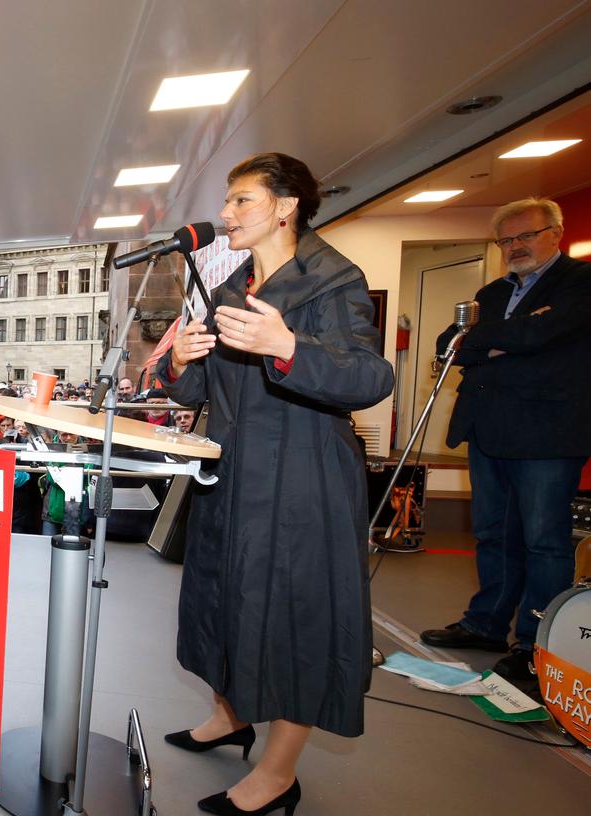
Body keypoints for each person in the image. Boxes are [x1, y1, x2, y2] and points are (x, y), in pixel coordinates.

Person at [158, 152, 393, 815]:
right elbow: (200, 386)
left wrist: (287, 345)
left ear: (285, 207)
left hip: (301, 483)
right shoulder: (233, 284)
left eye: (241, 201)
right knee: (226, 602)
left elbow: (371, 378)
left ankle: (279, 773)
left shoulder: (333, 280)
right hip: (233, 473)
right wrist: (179, 362)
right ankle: (231, 715)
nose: (226, 214)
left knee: (295, 622)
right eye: (228, 202)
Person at [419, 197, 591, 696]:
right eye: (507, 240)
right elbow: (448, 344)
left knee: (544, 540)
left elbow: (545, 331)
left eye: (527, 236)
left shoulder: (580, 284)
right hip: (489, 429)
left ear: (555, 232)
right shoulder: (492, 292)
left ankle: (536, 644)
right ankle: (486, 623)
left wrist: (493, 340)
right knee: (492, 532)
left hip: (547, 434)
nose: (516, 246)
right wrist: (502, 339)